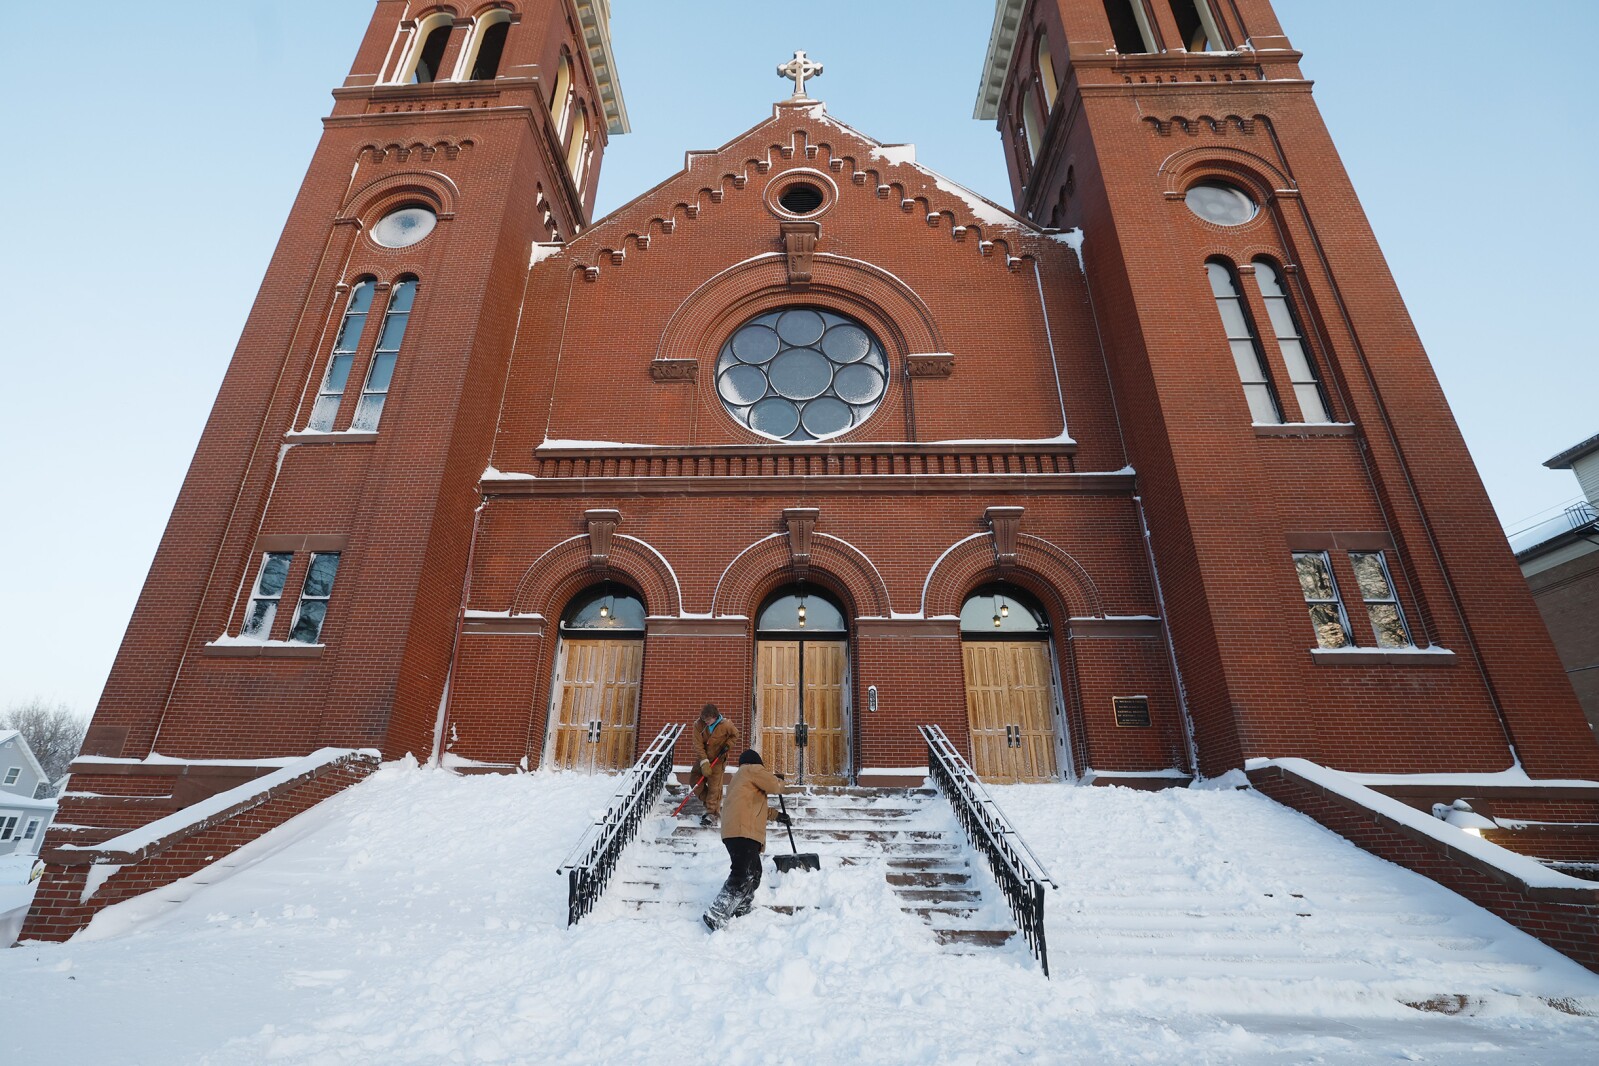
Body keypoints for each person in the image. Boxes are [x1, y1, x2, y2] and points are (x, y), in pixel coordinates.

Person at [703, 748, 789, 931]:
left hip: (736, 831)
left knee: (754, 872)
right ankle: (716, 912)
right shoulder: (751, 770)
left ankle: (741, 905)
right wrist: (778, 780)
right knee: (741, 873)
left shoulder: (741, 780)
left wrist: (778, 816)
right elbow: (775, 786)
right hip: (742, 831)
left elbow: (756, 807)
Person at [689, 703, 740, 827]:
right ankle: (711, 804)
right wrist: (704, 761)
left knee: (714, 787)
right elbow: (698, 744)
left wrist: (727, 745)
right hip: (703, 758)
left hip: (719, 759)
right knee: (694, 781)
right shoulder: (698, 725)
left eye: (708, 719)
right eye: (704, 719)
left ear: (715, 717)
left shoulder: (726, 725)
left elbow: (735, 735)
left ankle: (712, 814)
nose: (706, 721)